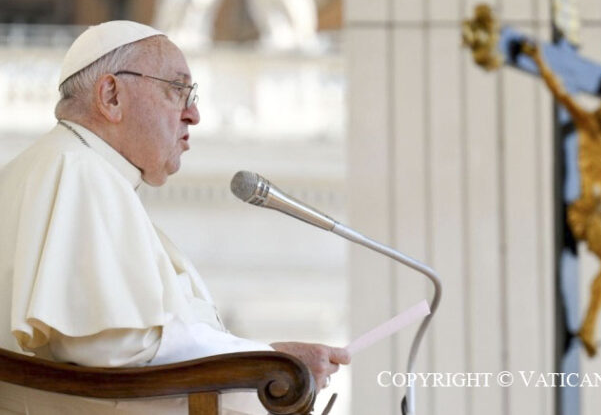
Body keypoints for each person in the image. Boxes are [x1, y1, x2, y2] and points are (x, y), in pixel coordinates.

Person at [0, 21, 350, 414]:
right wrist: (268, 361)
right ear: (111, 96)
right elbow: (113, 347)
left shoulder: (72, 169)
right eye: (178, 90)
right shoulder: (78, 171)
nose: (194, 114)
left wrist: (262, 360)